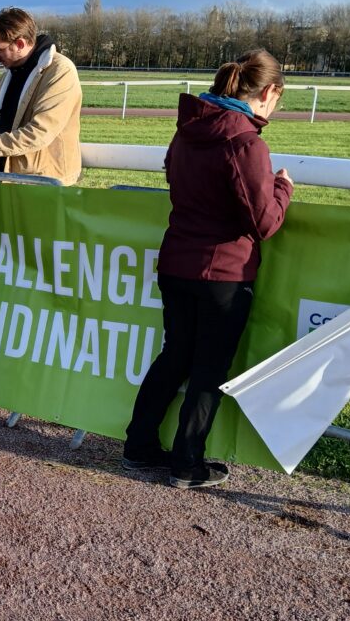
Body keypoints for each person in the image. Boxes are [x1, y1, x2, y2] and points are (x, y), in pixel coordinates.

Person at [122, 49, 293, 489]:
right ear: (270, 92)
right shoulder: (246, 142)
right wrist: (283, 188)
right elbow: (264, 222)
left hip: (177, 262)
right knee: (208, 369)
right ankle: (187, 463)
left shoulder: (187, 130)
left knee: (174, 355)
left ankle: (138, 446)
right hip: (223, 275)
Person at [0, 8, 82, 185]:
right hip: (1, 183)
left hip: (41, 186)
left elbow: (39, 132)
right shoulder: (4, 77)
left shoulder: (61, 71)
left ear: (20, 44)